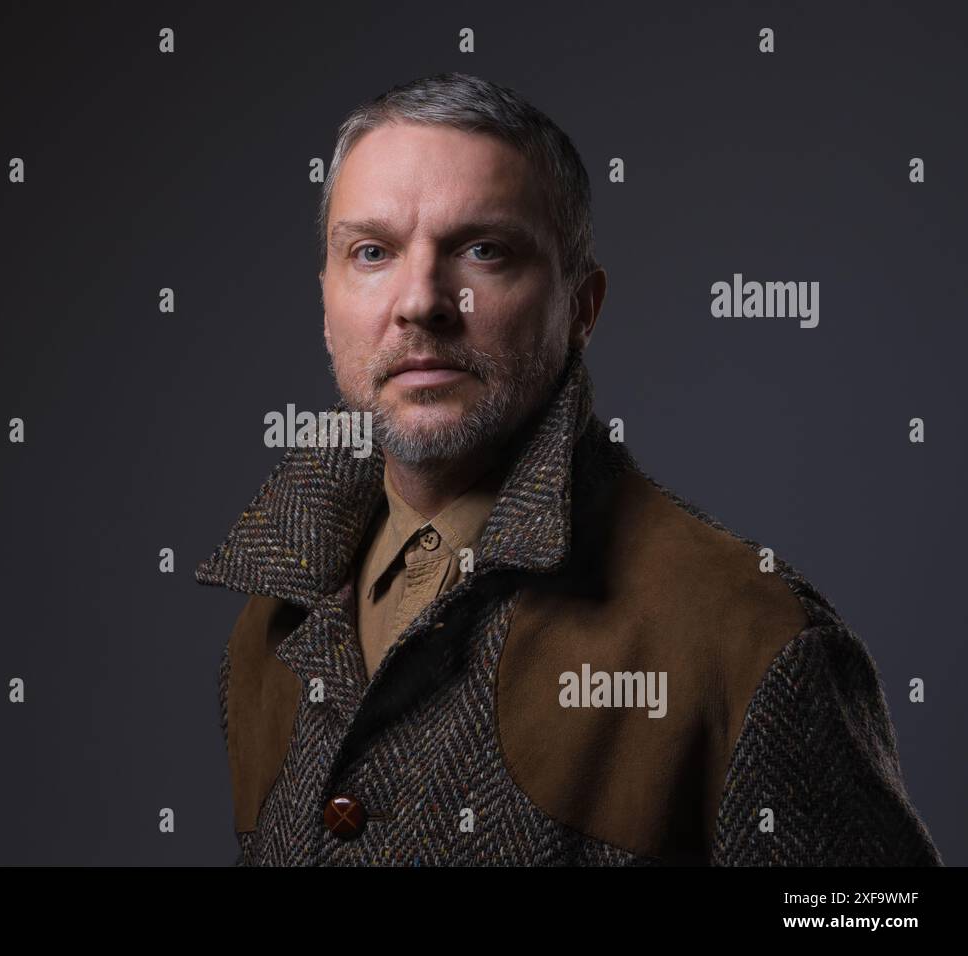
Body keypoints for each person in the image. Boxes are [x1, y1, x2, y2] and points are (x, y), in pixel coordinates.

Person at [195, 71, 942, 866]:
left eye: (483, 250)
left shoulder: (750, 641)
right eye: (372, 252)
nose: (421, 300)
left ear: (581, 307)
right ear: (326, 303)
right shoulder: (275, 622)